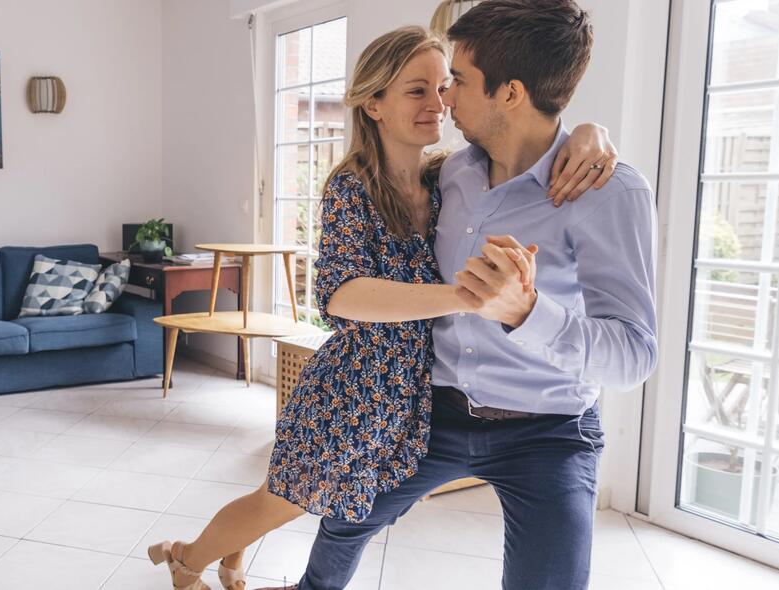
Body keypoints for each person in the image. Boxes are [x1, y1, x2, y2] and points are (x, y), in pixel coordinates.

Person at [146, 23, 620, 590]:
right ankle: (186, 560)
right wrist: (469, 298)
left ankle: (229, 556)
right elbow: (340, 296)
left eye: (445, 87)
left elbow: (534, 137)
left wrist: (589, 131)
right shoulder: (352, 187)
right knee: (285, 498)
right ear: (373, 103)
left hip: (411, 397)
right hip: (352, 387)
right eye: (416, 90)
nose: (439, 103)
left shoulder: (447, 176)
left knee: (333, 507)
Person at [276, 1, 659, 589]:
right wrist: (588, 128)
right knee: (342, 524)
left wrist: (528, 313)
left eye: (457, 80)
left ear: (509, 94)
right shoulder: (452, 173)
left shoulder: (607, 192)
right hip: (439, 414)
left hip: (549, 433)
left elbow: (634, 354)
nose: (444, 97)